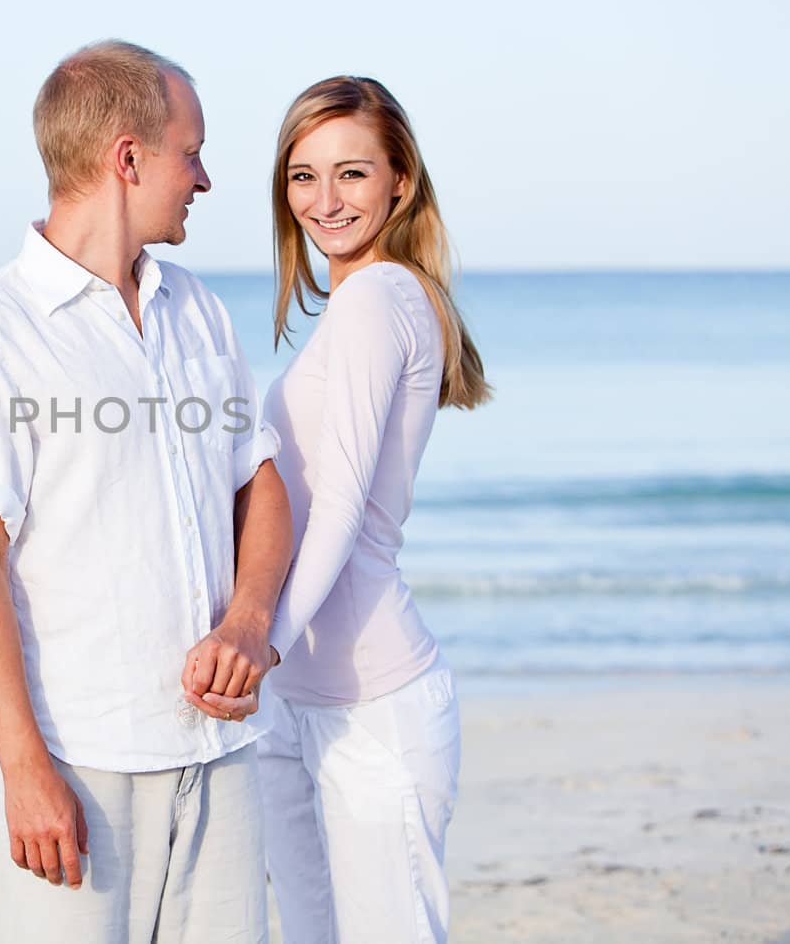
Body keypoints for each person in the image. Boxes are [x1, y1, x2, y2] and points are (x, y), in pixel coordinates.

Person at [0, 40, 293, 942]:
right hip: (81, 766)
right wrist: (23, 765)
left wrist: (248, 621)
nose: (203, 179)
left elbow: (263, 482)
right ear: (129, 158)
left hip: (222, 756)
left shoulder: (197, 309)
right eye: (190, 152)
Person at [253, 76, 491, 943]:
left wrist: (260, 644)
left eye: (352, 173)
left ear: (400, 179)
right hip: (300, 701)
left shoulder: (376, 298)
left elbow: (342, 507)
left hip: (369, 710)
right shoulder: (372, 302)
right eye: (302, 175)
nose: (325, 200)